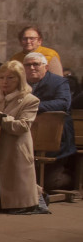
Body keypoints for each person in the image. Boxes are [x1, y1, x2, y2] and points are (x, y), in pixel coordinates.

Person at [0, 61, 40, 212]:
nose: (4, 82)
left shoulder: (30, 100)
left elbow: (23, 126)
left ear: (20, 79)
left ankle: (27, 200)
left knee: (14, 197)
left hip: (14, 147)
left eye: (10, 78)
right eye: (1, 78)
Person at [24, 51, 77, 190]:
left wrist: (33, 106)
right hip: (28, 136)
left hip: (55, 136)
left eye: (36, 64)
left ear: (46, 67)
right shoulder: (21, 82)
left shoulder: (59, 82)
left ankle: (68, 176)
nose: (32, 68)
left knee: (50, 183)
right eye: (28, 65)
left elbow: (63, 103)